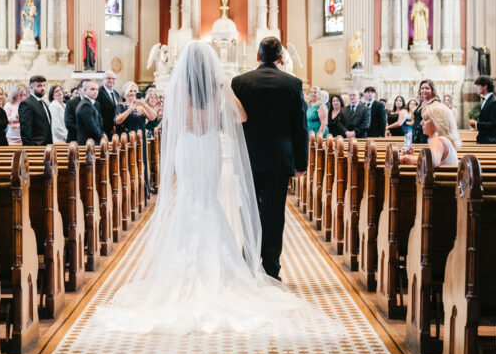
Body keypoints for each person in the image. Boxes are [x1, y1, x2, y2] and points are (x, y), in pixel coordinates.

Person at [91, 40, 330, 336]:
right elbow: (241, 117)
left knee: (189, 199)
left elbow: (168, 123)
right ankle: (245, 266)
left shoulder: (177, 90)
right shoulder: (219, 90)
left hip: (187, 148)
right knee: (208, 201)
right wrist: (224, 88)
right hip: (208, 148)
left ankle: (180, 274)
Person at [231, 36, 309, 280]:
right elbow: (301, 127)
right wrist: (301, 163)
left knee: (249, 208)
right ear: (280, 57)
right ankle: (271, 266)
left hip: (248, 157)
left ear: (257, 56)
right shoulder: (292, 84)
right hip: (279, 158)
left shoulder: (240, 82)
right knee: (274, 212)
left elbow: (233, 122)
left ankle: (249, 259)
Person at [116, 81, 157, 191]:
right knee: (128, 164)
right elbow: (118, 120)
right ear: (125, 93)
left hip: (141, 139)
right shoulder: (121, 106)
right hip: (127, 139)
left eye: (135, 91)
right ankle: (129, 189)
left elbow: (153, 116)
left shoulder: (141, 107)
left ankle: (143, 189)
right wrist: (130, 109)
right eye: (130, 91)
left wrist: (144, 104)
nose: (133, 93)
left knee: (141, 162)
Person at [399, 102, 461, 168]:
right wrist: (412, 157)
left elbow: (432, 161)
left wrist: (407, 158)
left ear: (438, 122)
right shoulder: (446, 140)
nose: (421, 123)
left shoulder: (437, 140)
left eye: (425, 119)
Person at [18, 74, 53, 146]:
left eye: (43, 85)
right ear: (31, 87)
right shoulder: (26, 104)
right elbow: (25, 130)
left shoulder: (43, 102)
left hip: (47, 146)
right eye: (39, 86)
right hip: (36, 146)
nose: (42, 88)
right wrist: (31, 149)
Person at [470, 76, 496, 144]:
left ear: (485, 87)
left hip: (492, 142)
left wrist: (476, 124)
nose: (476, 88)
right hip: (485, 140)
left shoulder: (494, 102)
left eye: (478, 86)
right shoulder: (487, 100)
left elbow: (494, 124)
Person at [75, 79, 103, 146]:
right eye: (92, 89)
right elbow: (92, 128)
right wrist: (102, 138)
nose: (95, 92)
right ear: (85, 90)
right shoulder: (85, 105)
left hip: (91, 142)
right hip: (87, 143)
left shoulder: (90, 103)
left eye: (97, 89)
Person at [96, 70, 119, 139]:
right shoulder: (98, 92)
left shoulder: (116, 93)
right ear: (103, 80)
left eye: (113, 79)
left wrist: (116, 126)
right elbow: (98, 113)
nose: (111, 80)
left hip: (116, 129)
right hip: (105, 131)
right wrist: (108, 128)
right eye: (109, 78)